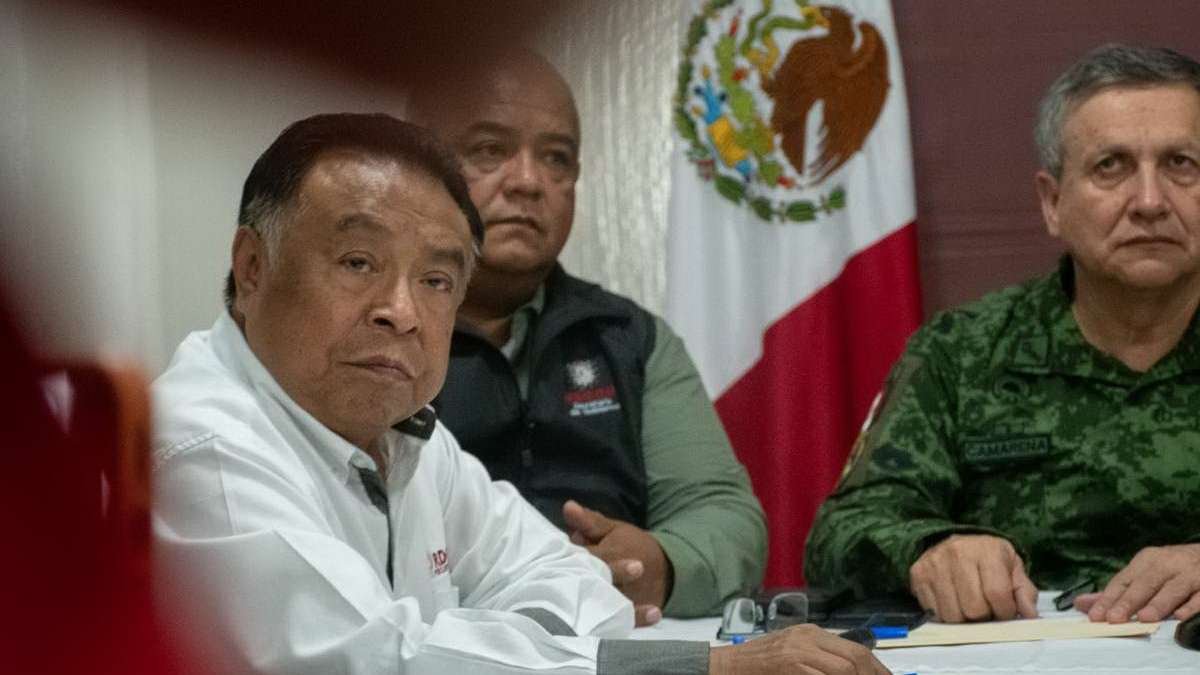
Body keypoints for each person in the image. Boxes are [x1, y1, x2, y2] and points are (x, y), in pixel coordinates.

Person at [152, 113, 886, 675]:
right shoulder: (199, 451)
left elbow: (576, 585)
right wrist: (702, 668)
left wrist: (486, 649)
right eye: (357, 262)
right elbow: (383, 662)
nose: (401, 312)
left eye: (435, 280)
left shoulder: (407, 438)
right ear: (252, 267)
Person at [805, 44, 1200, 626]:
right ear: (1053, 203)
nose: (1149, 202)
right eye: (1110, 167)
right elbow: (839, 536)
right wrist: (928, 549)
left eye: (1181, 164)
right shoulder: (963, 352)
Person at [406, 47, 767, 627]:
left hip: (616, 639)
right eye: (490, 150)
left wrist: (659, 564)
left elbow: (723, 515)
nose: (528, 182)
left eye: (556, 158)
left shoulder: (629, 339)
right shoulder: (375, 331)